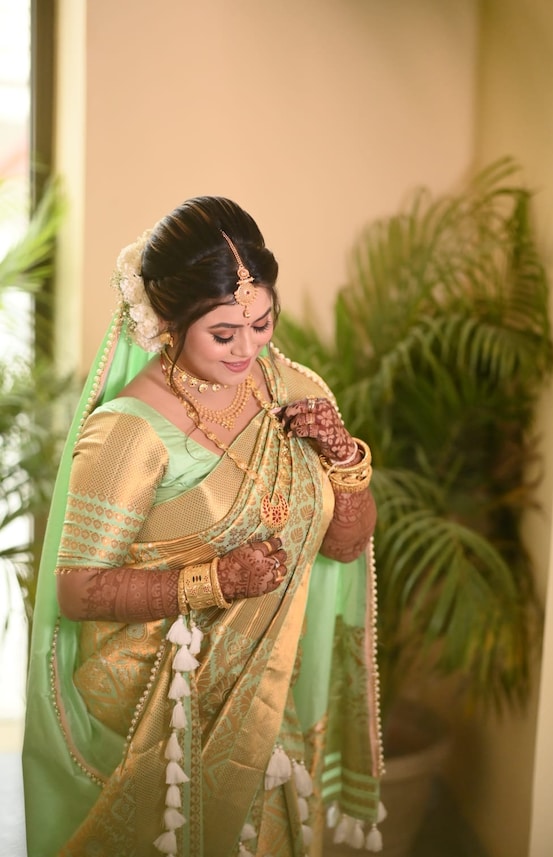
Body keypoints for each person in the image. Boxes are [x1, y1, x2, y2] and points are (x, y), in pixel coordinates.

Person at [22, 196, 385, 857]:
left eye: (263, 322)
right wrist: (213, 580)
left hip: (273, 701)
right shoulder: (127, 432)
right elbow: (77, 589)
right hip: (172, 718)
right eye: (224, 333)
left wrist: (342, 460)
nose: (249, 348)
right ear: (167, 320)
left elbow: (345, 543)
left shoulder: (295, 389)